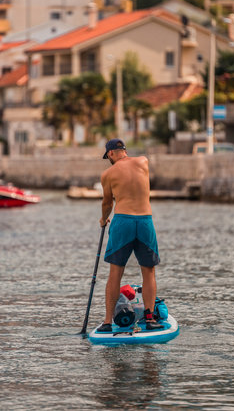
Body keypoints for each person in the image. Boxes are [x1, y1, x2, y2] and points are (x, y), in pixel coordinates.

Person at [98, 138, 162, 332]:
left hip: (122, 221)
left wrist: (103, 220)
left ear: (110, 153)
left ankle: (108, 322)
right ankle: (150, 319)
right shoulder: (143, 161)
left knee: (115, 272)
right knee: (148, 271)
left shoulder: (108, 174)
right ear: (124, 150)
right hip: (144, 221)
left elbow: (108, 203)